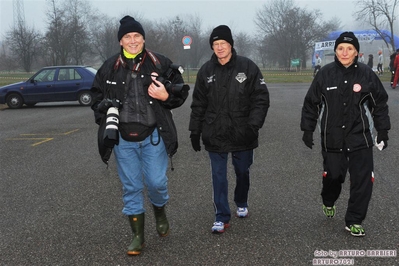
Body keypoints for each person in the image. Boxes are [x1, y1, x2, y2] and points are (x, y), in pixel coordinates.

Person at [90, 15, 189, 255]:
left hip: (154, 135)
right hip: (123, 139)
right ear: (121, 41)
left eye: (136, 36)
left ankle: (159, 210)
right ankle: (137, 237)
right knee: (131, 186)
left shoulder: (160, 62)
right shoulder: (108, 66)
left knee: (156, 182)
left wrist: (167, 97)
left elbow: (181, 91)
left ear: (143, 38)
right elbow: (95, 99)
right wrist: (103, 106)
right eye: (127, 37)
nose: (132, 40)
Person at [301, 31, 390, 237]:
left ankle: (354, 220)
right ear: (335, 51)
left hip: (361, 137)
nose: (344, 52)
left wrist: (383, 130)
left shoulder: (367, 74)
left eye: (349, 49)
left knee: (363, 180)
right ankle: (329, 199)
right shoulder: (325, 74)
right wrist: (307, 128)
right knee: (334, 176)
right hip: (332, 137)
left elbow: (380, 104)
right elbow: (310, 103)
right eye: (341, 48)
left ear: (356, 52)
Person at [189, 25, 270, 234]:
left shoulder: (248, 67)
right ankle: (221, 216)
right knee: (218, 175)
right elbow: (198, 103)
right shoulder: (206, 71)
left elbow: (261, 98)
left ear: (231, 44)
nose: (219, 48)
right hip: (214, 132)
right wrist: (195, 131)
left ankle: (241, 200)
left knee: (242, 171)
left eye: (223, 43)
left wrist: (254, 125)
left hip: (243, 132)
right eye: (215, 44)